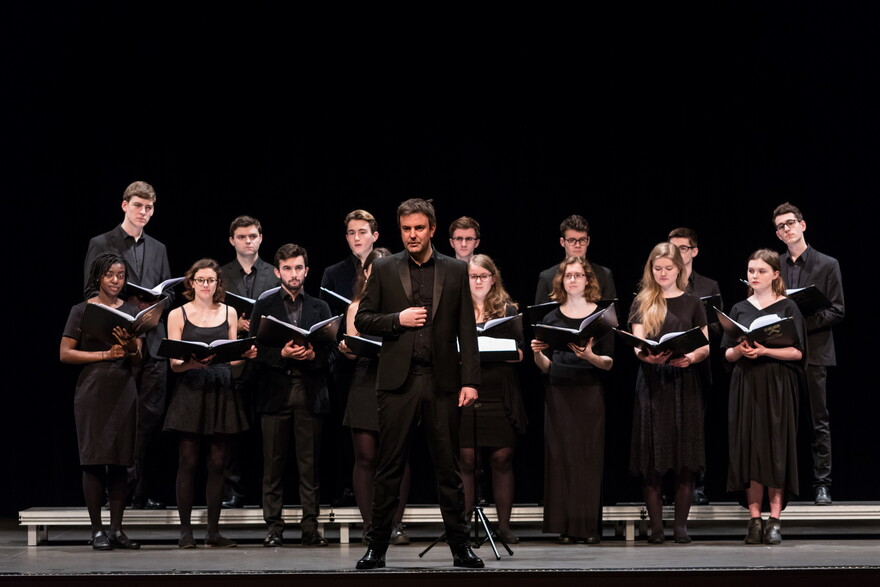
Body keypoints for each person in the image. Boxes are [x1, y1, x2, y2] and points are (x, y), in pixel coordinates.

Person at [354, 198, 483, 569]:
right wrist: (399, 319)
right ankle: (376, 547)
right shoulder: (384, 267)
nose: (412, 235)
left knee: (449, 469)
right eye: (406, 229)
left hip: (441, 380)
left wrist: (470, 381)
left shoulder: (455, 270)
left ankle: (460, 547)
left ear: (432, 229)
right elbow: (363, 319)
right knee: (388, 468)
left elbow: (466, 332)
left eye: (419, 228)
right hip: (399, 383)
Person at [83, 180, 171, 510]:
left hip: (152, 340)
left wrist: (162, 299)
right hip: (118, 339)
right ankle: (115, 490)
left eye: (149, 208)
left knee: (149, 417)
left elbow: (165, 290)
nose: (144, 213)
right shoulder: (102, 242)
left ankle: (140, 490)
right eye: (138, 206)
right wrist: (126, 301)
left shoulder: (159, 247)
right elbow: (89, 292)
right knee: (118, 418)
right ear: (125, 205)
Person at [163, 259, 256, 548]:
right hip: (191, 388)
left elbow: (232, 357)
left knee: (218, 463)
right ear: (191, 282)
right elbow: (174, 364)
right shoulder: (178, 314)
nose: (206, 285)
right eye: (200, 280)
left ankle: (213, 532)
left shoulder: (228, 312)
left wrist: (246, 353)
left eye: (211, 280)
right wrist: (190, 362)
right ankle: (185, 532)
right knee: (188, 462)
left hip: (220, 387)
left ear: (218, 284)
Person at [250, 244, 334, 548]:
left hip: (309, 394)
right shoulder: (266, 305)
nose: (293, 274)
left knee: (309, 467)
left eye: (298, 268)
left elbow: (331, 354)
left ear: (306, 271)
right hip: (275, 395)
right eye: (287, 268)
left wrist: (313, 354)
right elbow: (254, 352)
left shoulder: (319, 307)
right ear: (277, 272)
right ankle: (273, 527)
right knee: (272, 467)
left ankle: (310, 527)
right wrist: (281, 354)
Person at [723, 249, 806, 545]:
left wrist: (765, 351)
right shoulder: (739, 308)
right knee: (749, 449)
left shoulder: (788, 307)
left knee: (775, 448)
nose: (754, 276)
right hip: (746, 384)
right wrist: (740, 350)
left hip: (777, 384)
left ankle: (775, 520)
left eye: (760, 271)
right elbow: (728, 354)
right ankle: (754, 520)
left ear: (775, 274)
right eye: (751, 270)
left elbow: (797, 352)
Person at [61, 253, 143, 550]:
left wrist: (130, 345)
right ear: (98, 277)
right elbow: (65, 353)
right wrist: (105, 355)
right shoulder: (82, 310)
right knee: (94, 461)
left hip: (124, 389)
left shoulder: (132, 310)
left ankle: (117, 530)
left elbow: (139, 358)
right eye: (109, 274)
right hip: (93, 390)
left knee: (121, 462)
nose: (115, 280)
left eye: (120, 275)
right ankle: (97, 530)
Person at [628, 242, 709, 544]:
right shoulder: (643, 301)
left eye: (668, 268)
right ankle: (658, 529)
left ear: (679, 269)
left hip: (684, 381)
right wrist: (645, 355)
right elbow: (637, 343)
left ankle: (681, 528)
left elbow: (705, 345)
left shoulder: (693, 302)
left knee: (684, 454)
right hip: (652, 382)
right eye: (657, 268)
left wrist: (691, 358)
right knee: (653, 456)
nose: (663, 273)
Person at [530, 256, 613, 544]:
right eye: (568, 276)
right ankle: (565, 527)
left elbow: (609, 363)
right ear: (561, 281)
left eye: (579, 275)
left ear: (589, 280)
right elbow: (545, 367)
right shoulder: (551, 317)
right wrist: (537, 352)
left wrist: (590, 356)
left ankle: (588, 527)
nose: (573, 280)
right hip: (559, 392)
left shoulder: (601, 317)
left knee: (588, 458)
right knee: (561, 457)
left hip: (589, 392)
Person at [337, 247, 411, 544]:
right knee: (366, 457)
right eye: (372, 268)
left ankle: (395, 523)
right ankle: (371, 525)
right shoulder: (356, 306)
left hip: (398, 381)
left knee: (398, 456)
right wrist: (348, 349)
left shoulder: (406, 306)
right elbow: (354, 347)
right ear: (365, 272)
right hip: (366, 381)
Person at [773, 202, 844, 506]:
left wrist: (801, 324)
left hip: (814, 353)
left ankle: (822, 484)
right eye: (780, 227)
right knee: (781, 422)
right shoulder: (774, 265)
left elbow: (837, 310)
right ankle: (781, 485)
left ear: (803, 225)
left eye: (790, 223)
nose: (786, 229)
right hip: (779, 352)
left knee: (818, 421)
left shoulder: (827, 264)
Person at [460, 254, 527, 544]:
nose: (477, 281)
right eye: (472, 277)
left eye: (482, 276)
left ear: (493, 278)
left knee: (502, 456)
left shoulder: (507, 310)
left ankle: (504, 527)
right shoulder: (455, 309)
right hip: (466, 390)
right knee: (467, 457)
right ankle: (462, 525)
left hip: (499, 390)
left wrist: (502, 349)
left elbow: (521, 353)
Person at [219, 215, 279, 509]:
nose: (248, 241)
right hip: (236, 359)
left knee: (267, 432)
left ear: (261, 238)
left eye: (253, 236)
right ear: (232, 240)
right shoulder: (221, 273)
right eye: (242, 237)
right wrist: (236, 325)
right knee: (233, 430)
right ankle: (233, 490)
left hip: (268, 359)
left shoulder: (273, 272)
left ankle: (265, 491)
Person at [668, 227, 722, 506]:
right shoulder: (660, 281)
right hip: (665, 364)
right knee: (667, 427)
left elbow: (716, 327)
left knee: (695, 427)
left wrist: (693, 331)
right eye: (672, 247)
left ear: (694, 251)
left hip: (697, 365)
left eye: (683, 248)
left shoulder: (708, 286)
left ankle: (697, 484)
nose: (677, 253)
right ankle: (669, 486)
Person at [535, 214, 616, 304]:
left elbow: (611, 315)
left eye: (582, 240)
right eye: (572, 240)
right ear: (562, 242)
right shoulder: (547, 277)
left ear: (588, 241)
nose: (577, 245)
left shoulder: (604, 275)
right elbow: (539, 316)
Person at [321, 209, 380, 302]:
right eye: (352, 233)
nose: (356, 238)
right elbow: (326, 313)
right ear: (347, 238)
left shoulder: (388, 267)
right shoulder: (332, 274)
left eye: (362, 232)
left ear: (375, 236)